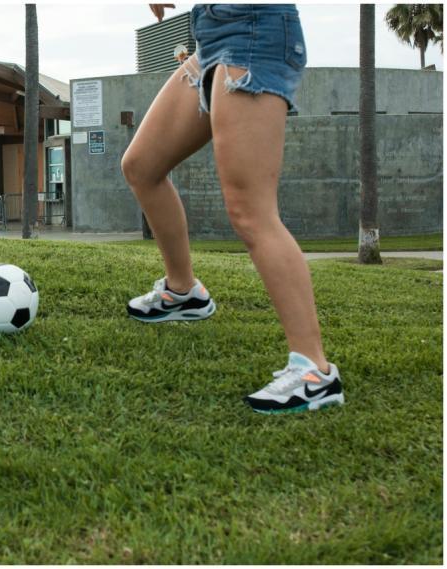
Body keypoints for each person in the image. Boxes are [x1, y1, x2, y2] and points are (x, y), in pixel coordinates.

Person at [122, 4, 344, 413]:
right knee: (142, 166)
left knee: (250, 211)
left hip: (254, 34)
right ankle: (184, 291)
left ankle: (315, 370)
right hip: (212, 36)